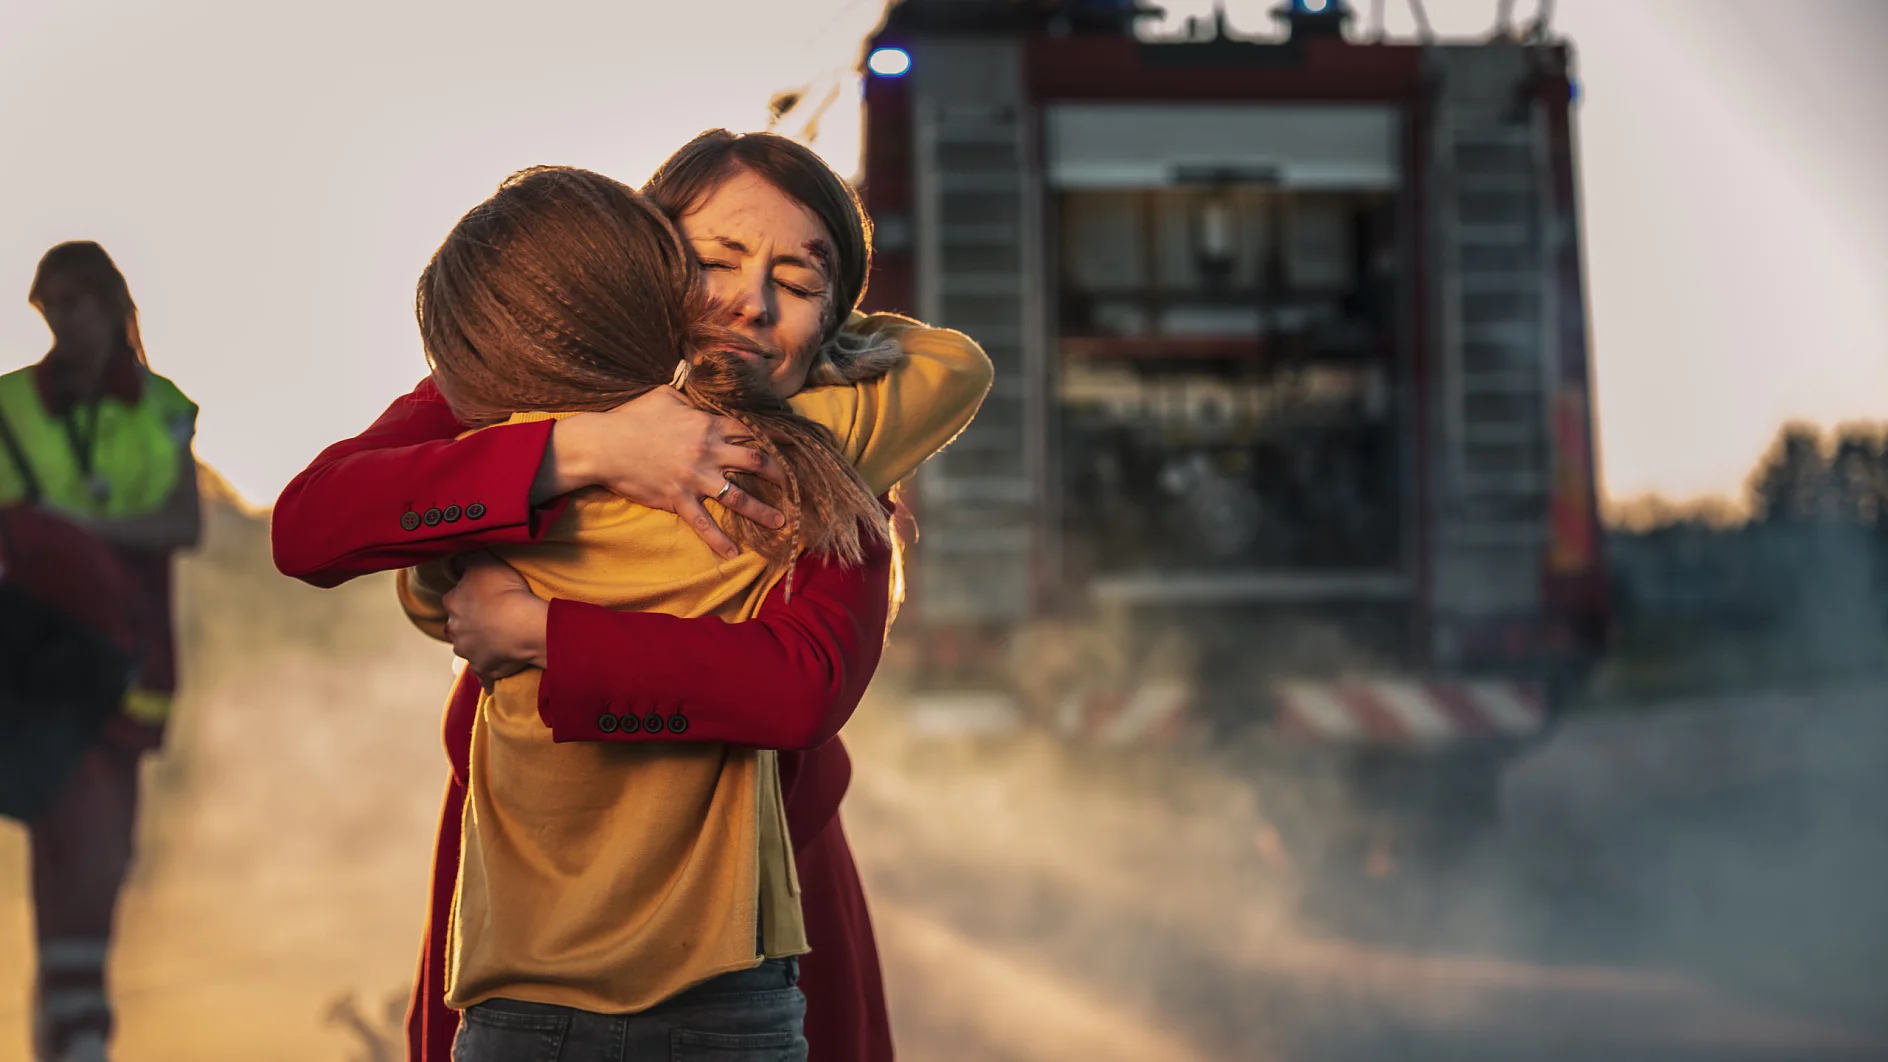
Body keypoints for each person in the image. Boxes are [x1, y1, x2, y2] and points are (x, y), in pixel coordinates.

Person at [269, 129, 969, 1062]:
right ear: (638, 261)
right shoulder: (511, 383)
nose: (751, 304)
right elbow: (312, 525)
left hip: (760, 925)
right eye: (714, 260)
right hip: (529, 922)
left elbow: (800, 690)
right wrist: (587, 448)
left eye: (799, 285)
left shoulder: (829, 461)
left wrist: (540, 631)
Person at [0, 241, 202, 1062]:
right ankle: (71, 1033)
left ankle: (72, 1032)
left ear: (110, 303)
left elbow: (185, 525)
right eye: (48, 310)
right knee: (71, 857)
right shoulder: (10, 403)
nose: (59, 325)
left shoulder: (163, 405)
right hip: (28, 667)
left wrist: (80, 531)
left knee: (96, 863)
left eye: (71, 306)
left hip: (124, 669)